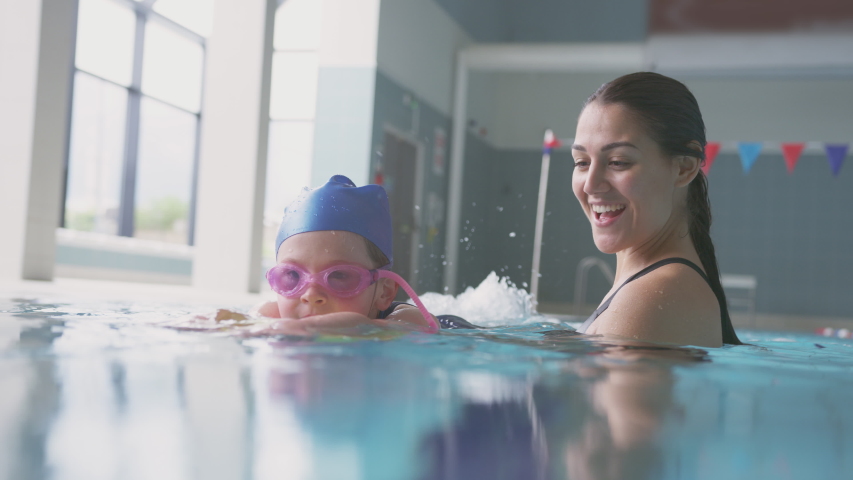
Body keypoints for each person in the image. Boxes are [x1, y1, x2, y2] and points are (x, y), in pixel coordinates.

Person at [571, 72, 741, 347]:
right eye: (581, 162)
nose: (590, 185)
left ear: (684, 167)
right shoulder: (652, 288)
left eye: (617, 161)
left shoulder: (653, 297)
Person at [252, 175, 476, 336]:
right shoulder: (272, 314)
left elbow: (357, 325)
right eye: (291, 275)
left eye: (339, 276)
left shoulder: (409, 320)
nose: (310, 295)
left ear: (384, 292)